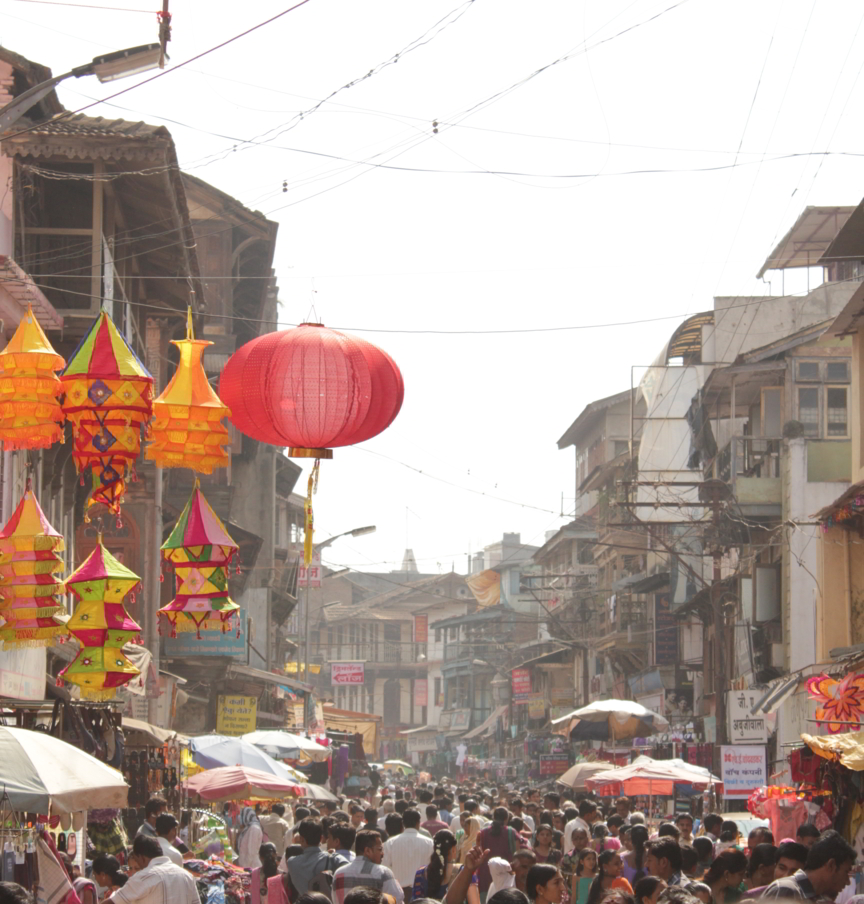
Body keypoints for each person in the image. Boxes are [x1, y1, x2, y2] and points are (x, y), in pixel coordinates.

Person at [761, 831, 856, 902]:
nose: (847, 882)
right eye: (846, 872)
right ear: (831, 865)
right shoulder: (786, 890)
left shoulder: (817, 899)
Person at [108, 835, 199, 904]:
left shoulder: (144, 877)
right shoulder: (187, 876)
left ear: (141, 857)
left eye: (136, 860)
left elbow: (112, 902)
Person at [332, 830, 404, 904]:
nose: (382, 853)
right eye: (379, 849)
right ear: (367, 851)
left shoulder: (338, 874)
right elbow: (397, 900)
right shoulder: (382, 873)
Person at [413, 830, 480, 903]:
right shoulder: (464, 872)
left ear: (434, 848)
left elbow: (416, 901)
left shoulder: (421, 873)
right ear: (454, 850)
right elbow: (475, 902)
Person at [287, 818, 349, 897]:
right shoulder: (333, 858)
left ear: (301, 839)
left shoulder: (291, 862)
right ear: (321, 838)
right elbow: (348, 868)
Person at [383, 808, 434, 900]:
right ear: (418, 823)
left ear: (403, 823)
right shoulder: (429, 843)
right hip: (421, 894)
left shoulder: (390, 843)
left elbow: (385, 868)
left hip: (397, 894)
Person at [477, 808, 529, 897]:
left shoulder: (483, 832)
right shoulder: (511, 831)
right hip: (506, 873)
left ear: (493, 818)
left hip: (486, 872)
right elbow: (517, 853)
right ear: (507, 818)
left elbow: (479, 852)